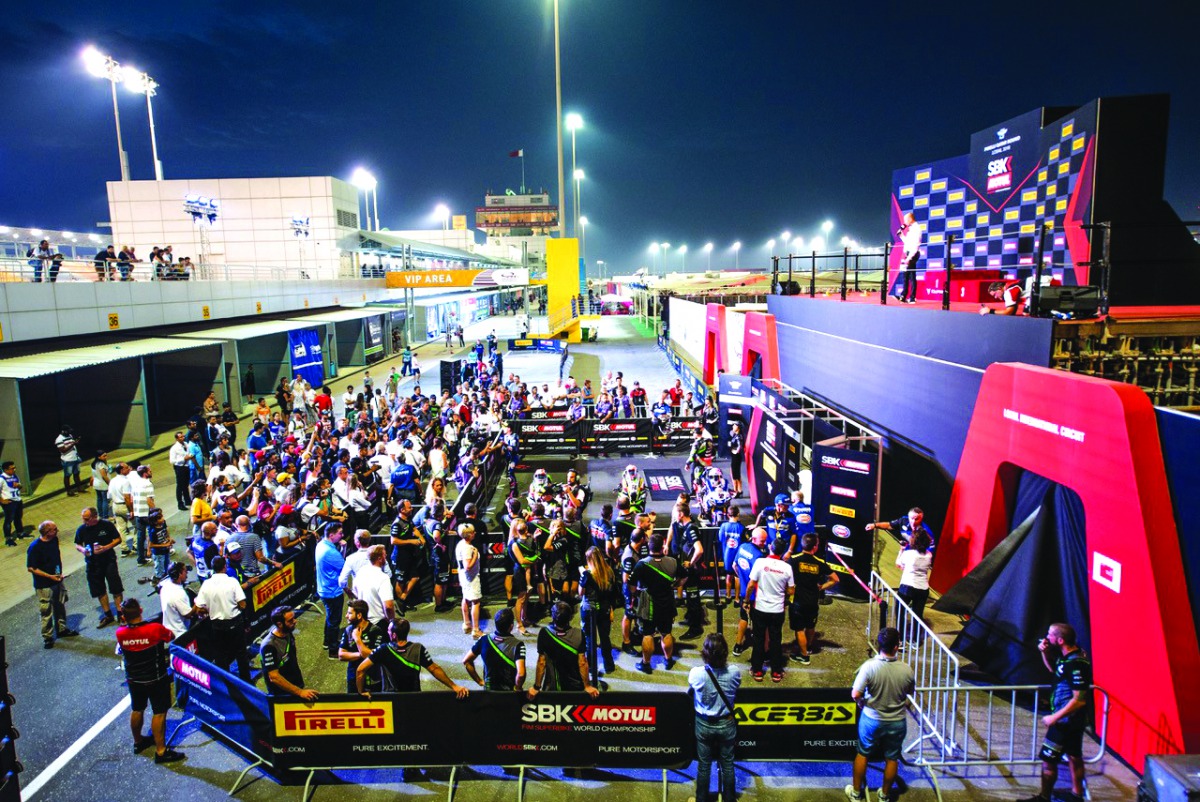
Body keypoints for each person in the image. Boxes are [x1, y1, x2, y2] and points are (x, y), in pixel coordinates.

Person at [1023, 623, 1092, 802]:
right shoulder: (1067, 657)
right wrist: (1044, 653)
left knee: (1048, 759)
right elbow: (1054, 670)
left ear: (1060, 640)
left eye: (1050, 634)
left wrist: (1055, 717)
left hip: (1065, 721)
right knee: (1074, 756)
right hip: (1070, 720)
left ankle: (1044, 797)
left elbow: (1079, 699)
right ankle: (1076, 795)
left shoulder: (1077, 664)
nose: (1046, 637)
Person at [846, 627, 915, 802]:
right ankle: (884, 795)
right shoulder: (907, 669)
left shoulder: (869, 667)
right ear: (896, 647)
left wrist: (862, 704)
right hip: (897, 721)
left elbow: (855, 694)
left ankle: (855, 794)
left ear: (879, 645)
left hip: (872, 719)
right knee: (892, 758)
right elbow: (910, 692)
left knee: (863, 754)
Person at [115, 599, 185, 764]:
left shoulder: (120, 633)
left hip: (134, 679)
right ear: (140, 610)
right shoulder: (155, 629)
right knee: (159, 712)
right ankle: (161, 751)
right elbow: (170, 637)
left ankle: (138, 742)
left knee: (137, 709)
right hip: (156, 678)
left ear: (124, 617)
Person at [357, 617, 468, 697]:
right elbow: (434, 669)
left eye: (389, 631)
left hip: (391, 698)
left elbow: (361, 670)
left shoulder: (383, 650)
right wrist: (454, 686)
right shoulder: (418, 649)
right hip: (413, 697)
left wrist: (361, 692)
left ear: (394, 635)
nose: (387, 632)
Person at [689, 633, 741, 802]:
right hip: (727, 723)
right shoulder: (734, 672)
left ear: (705, 653)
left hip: (704, 723)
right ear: (725, 652)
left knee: (704, 766)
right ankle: (730, 799)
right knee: (728, 764)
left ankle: (701, 799)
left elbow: (691, 689)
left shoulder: (696, 674)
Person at [743, 536, 794, 682]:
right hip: (777, 610)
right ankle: (776, 672)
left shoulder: (760, 562)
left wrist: (746, 601)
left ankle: (757, 670)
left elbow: (751, 585)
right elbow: (791, 591)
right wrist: (782, 595)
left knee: (758, 639)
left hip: (760, 608)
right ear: (782, 551)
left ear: (770, 547)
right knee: (776, 640)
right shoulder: (787, 567)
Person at [630, 534, 682, 674]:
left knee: (648, 634)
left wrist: (636, 595)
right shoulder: (673, 562)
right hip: (667, 603)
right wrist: (675, 585)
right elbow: (684, 576)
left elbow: (632, 585)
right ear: (663, 545)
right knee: (666, 632)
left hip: (649, 605)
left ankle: (646, 664)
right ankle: (668, 660)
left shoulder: (641, 564)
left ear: (648, 547)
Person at [194, 555, 250, 680]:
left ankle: (226, 683)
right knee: (241, 653)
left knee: (221, 655)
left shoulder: (206, 584)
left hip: (217, 625)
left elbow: (198, 609)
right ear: (225, 567)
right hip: (235, 622)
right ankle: (246, 681)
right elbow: (243, 604)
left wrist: (210, 609)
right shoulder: (232, 582)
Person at [530, 601, 600, 697]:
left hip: (553, 688)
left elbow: (541, 662)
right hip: (575, 687)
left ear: (553, 617)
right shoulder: (578, 634)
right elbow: (582, 662)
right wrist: (587, 686)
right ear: (570, 617)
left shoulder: (544, 633)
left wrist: (536, 687)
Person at [27, 521, 79, 648]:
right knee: (46, 611)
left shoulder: (54, 540)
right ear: (47, 532)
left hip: (57, 580)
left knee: (60, 605)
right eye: (55, 529)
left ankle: (61, 629)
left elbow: (56, 558)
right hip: (44, 585)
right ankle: (48, 637)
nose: (57, 531)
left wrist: (58, 574)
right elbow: (31, 568)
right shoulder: (35, 547)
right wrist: (50, 576)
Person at [789, 533, 839, 664]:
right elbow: (835, 579)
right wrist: (822, 587)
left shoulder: (794, 560)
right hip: (812, 601)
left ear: (802, 544)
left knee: (799, 629)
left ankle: (804, 655)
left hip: (798, 601)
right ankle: (809, 647)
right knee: (810, 626)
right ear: (815, 547)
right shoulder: (820, 563)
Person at [75, 507, 125, 628]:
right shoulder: (82, 529)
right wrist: (83, 550)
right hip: (92, 563)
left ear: (94, 517)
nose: (84, 521)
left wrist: (106, 547)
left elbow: (118, 539)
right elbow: (77, 544)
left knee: (116, 587)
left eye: (86, 519)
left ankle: (120, 613)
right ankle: (108, 614)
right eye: (83, 519)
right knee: (99, 590)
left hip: (108, 561)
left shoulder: (106, 525)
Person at [261, 605, 319, 700]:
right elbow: (274, 677)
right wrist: (299, 692)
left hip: (294, 685)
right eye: (290, 620)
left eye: (294, 618)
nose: (295, 621)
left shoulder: (287, 631)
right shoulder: (269, 646)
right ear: (280, 624)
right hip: (282, 694)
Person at [463, 608, 527, 691]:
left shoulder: (484, 640)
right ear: (511, 626)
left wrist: (479, 681)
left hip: (489, 690)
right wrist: (518, 687)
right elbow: (521, 673)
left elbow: (466, 661)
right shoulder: (518, 645)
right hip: (509, 692)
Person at [579, 546, 616, 675]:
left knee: (590, 639)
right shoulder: (609, 571)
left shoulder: (587, 574)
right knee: (605, 637)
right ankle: (609, 665)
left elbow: (580, 593)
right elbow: (612, 593)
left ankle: (591, 667)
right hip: (605, 608)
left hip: (589, 609)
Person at [339, 599, 387, 694]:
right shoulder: (348, 630)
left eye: (349, 613)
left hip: (373, 679)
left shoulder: (375, 631)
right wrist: (361, 653)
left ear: (359, 615)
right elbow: (341, 655)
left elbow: (371, 656)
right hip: (353, 677)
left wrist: (357, 639)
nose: (346, 616)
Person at [732, 527, 768, 656]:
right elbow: (757, 580)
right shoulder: (759, 556)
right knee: (759, 623)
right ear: (753, 539)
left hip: (743, 591)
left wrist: (742, 578)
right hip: (754, 595)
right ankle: (762, 651)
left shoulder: (742, 547)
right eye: (762, 541)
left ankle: (738, 645)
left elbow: (734, 566)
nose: (764, 543)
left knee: (743, 618)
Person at [315, 523, 347, 658]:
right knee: (334, 621)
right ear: (332, 535)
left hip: (324, 588)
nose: (342, 535)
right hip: (332, 591)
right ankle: (333, 650)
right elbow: (344, 566)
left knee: (330, 617)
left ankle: (327, 641)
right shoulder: (331, 552)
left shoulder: (321, 545)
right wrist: (344, 548)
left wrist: (343, 547)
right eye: (340, 533)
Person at [896, 531, 933, 631]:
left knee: (899, 611)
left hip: (908, 587)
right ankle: (915, 639)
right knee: (917, 615)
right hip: (923, 589)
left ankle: (900, 637)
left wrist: (901, 550)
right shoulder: (929, 555)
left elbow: (898, 564)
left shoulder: (909, 554)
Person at [456, 522, 484, 637]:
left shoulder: (460, 544)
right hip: (471, 578)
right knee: (476, 602)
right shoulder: (468, 548)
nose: (475, 534)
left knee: (465, 598)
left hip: (463, 577)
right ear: (469, 535)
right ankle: (476, 630)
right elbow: (467, 566)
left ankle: (467, 624)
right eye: (473, 532)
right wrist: (475, 554)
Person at [866, 507, 935, 553]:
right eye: (911, 518)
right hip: (906, 553)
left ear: (921, 518)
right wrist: (874, 525)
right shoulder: (903, 520)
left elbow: (931, 548)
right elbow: (889, 525)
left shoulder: (926, 532)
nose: (913, 521)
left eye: (916, 519)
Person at [158, 562, 194, 639]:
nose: (187, 572)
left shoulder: (166, 584)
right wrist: (197, 605)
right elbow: (188, 615)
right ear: (179, 574)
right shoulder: (178, 594)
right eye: (185, 571)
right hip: (180, 633)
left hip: (169, 628)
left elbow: (159, 584)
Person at [896, 211, 922, 304]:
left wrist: (909, 258)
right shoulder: (911, 229)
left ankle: (911, 297)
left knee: (910, 275)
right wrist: (901, 235)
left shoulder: (916, 229)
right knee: (907, 275)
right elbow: (908, 242)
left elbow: (915, 246)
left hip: (912, 254)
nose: (905, 222)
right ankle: (905, 296)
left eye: (906, 220)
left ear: (910, 219)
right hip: (908, 253)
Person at [1, 461, 27, 546]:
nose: (14, 469)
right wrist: (2, 501)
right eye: (12, 468)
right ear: (5, 470)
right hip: (9, 502)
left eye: (14, 467)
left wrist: (18, 486)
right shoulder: (1, 479)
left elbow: (20, 486)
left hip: (18, 500)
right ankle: (8, 539)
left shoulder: (14, 476)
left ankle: (20, 533)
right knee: (8, 520)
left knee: (18, 518)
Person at [56, 426, 83, 497]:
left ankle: (79, 488)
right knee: (67, 476)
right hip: (67, 460)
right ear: (63, 431)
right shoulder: (59, 439)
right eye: (68, 431)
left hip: (75, 458)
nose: (70, 432)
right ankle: (69, 491)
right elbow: (63, 450)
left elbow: (73, 446)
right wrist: (73, 443)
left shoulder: (70, 436)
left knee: (76, 474)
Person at [727, 423, 744, 497]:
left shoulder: (739, 437)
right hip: (734, 457)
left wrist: (735, 451)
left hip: (736, 457)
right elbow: (730, 432)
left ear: (738, 427)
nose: (733, 426)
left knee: (735, 475)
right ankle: (739, 490)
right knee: (736, 474)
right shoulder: (735, 435)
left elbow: (740, 447)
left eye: (734, 425)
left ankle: (736, 491)